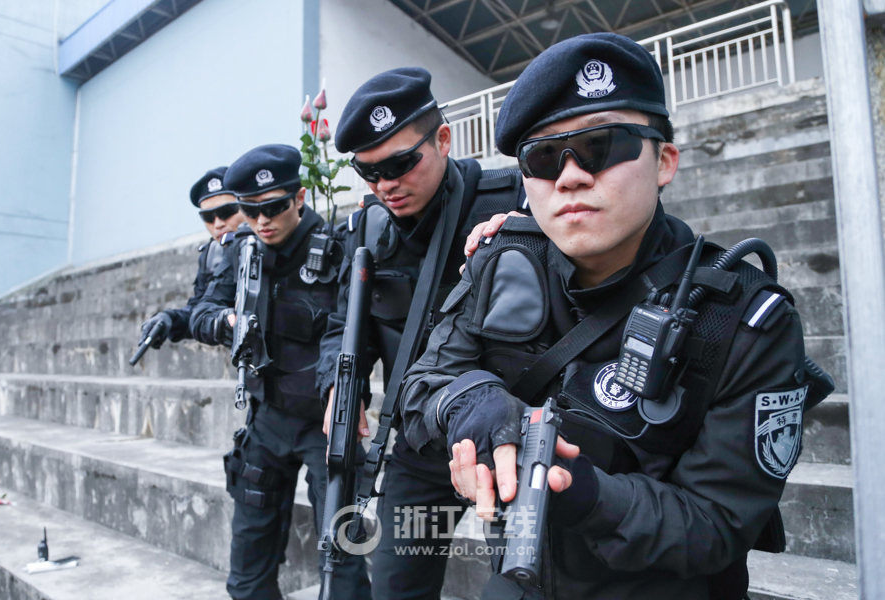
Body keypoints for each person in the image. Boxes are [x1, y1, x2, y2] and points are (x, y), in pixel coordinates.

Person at [400, 33, 826, 600]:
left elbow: (719, 523)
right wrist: (471, 404)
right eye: (544, 157)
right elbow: (423, 384)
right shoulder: (501, 262)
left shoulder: (742, 318)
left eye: (601, 146)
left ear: (664, 160)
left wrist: (585, 494)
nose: (571, 176)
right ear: (525, 180)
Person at [316, 67, 528, 600]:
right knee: (398, 586)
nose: (386, 184)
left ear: (444, 139)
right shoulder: (368, 226)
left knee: (522, 585)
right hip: (418, 451)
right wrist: (342, 385)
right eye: (368, 173)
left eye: (400, 164)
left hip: (502, 446)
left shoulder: (511, 204)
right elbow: (347, 324)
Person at [189, 145, 371, 600]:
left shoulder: (338, 249)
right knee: (247, 569)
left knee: (341, 561)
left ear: (300, 197)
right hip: (267, 418)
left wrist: (340, 391)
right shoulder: (242, 251)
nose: (262, 221)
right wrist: (224, 323)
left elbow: (347, 333)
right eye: (250, 211)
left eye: (274, 207)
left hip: (323, 423)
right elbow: (202, 310)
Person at [136, 167, 243, 352]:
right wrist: (169, 319)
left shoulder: (271, 241)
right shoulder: (212, 255)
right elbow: (199, 310)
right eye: (208, 217)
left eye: (226, 212)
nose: (218, 224)